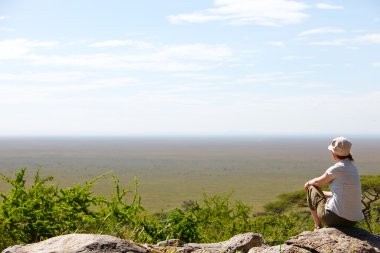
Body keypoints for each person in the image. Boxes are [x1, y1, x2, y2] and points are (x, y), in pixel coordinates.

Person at [304, 137, 364, 231]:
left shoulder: (336, 168)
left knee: (311, 188)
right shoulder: (354, 169)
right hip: (352, 221)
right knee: (322, 193)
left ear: (334, 153)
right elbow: (341, 193)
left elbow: (317, 182)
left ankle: (318, 226)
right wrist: (322, 194)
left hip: (334, 219)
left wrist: (307, 183)